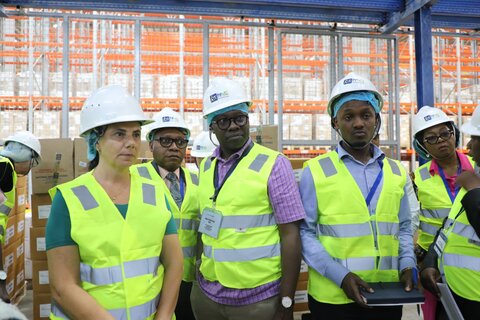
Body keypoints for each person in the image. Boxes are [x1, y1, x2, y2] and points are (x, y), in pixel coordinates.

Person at [46, 85, 183, 320]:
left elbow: (175, 263)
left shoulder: (155, 192)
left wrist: (163, 316)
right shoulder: (69, 200)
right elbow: (63, 287)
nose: (131, 143)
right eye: (119, 134)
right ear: (95, 141)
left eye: (136, 134)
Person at [300, 72, 416, 320]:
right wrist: (340, 277)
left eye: (366, 115)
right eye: (348, 116)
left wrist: (407, 264)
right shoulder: (316, 171)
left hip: (387, 292)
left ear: (377, 119)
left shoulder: (396, 171)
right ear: (335, 123)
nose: (359, 123)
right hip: (333, 297)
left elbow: (404, 227)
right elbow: (305, 233)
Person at [191, 78, 305, 320]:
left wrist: (286, 301)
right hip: (209, 294)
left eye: (239, 118)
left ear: (248, 119)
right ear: (212, 127)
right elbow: (207, 225)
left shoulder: (275, 164)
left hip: (258, 299)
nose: (233, 126)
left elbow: (291, 234)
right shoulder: (207, 166)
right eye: (224, 121)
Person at [133, 107, 198, 320]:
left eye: (180, 142)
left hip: (191, 281)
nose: (174, 147)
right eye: (165, 141)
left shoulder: (198, 181)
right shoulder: (134, 178)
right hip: (152, 280)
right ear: (150, 144)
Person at [412, 105, 475, 319]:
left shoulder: (477, 168)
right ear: (422, 145)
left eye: (444, 133)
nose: (440, 140)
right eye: (431, 138)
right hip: (432, 267)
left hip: (470, 268)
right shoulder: (417, 178)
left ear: (454, 134)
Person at [0, 131, 41, 303]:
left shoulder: (6, 167)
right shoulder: (4, 167)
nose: (31, 168)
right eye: (32, 162)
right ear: (25, 155)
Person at [372, 130, 420, 237]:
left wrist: (401, 243)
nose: (370, 141)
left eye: (374, 137)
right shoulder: (330, 169)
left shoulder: (397, 169)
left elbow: (412, 213)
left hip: (390, 250)